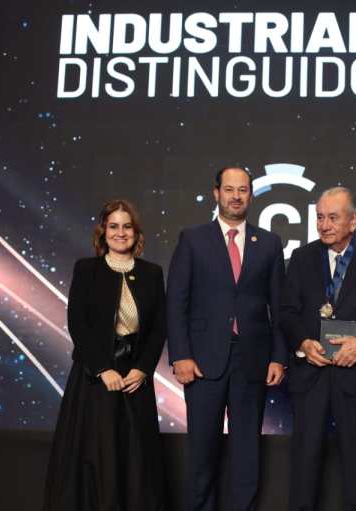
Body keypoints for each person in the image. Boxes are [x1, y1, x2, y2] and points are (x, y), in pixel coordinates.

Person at [167, 166, 286, 511]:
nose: (236, 196)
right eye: (229, 189)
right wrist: (180, 355)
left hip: (253, 360)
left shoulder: (269, 243)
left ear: (251, 195)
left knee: (247, 452)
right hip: (202, 361)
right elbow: (176, 302)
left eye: (243, 190)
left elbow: (280, 308)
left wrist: (278, 357)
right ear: (216, 193)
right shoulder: (192, 239)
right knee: (202, 449)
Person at [281, 187, 356, 511]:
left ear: (353, 220)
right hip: (311, 376)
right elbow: (287, 312)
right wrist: (303, 343)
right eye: (320, 217)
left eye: (333, 218)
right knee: (304, 466)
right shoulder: (302, 258)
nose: (324, 225)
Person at [43, 199, 166, 511]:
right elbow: (78, 324)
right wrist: (102, 369)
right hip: (95, 378)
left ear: (136, 233)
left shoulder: (152, 273)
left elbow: (159, 328)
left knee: (137, 455)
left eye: (127, 226)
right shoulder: (87, 269)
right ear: (103, 231)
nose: (120, 233)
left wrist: (143, 369)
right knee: (97, 453)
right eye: (114, 226)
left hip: (135, 377)